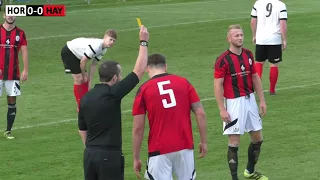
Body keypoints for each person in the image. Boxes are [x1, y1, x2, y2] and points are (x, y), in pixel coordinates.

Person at [77, 25, 149, 180]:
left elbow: (82, 130)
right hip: (109, 156)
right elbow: (140, 70)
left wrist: (92, 148)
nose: (121, 77)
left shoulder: (85, 98)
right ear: (115, 78)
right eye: (120, 74)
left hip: (89, 155)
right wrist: (143, 42)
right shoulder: (113, 94)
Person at [132, 53, 208, 180]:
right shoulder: (184, 82)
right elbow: (200, 113)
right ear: (165, 67)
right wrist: (204, 142)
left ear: (147, 68)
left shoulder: (144, 89)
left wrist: (136, 157)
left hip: (159, 149)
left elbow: (138, 128)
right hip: (185, 145)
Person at [213, 24, 267, 180]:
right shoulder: (223, 60)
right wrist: (222, 109)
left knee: (258, 139)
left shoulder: (249, 54)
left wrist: (262, 100)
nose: (240, 38)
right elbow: (218, 84)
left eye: (241, 35)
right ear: (229, 39)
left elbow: (255, 77)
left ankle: (249, 171)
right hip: (234, 103)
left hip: (250, 101)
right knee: (234, 142)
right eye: (236, 35)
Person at [60, 29, 117, 112]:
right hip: (69, 51)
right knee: (79, 79)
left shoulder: (103, 49)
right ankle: (80, 106)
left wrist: (89, 82)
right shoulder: (96, 46)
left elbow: (93, 65)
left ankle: (86, 102)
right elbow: (83, 61)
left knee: (85, 79)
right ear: (105, 38)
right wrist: (83, 74)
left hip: (78, 55)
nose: (111, 42)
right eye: (110, 39)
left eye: (114, 41)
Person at [0, 14, 28, 139]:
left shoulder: (20, 33)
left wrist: (25, 69)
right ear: (3, 15)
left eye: (13, 14)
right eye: (8, 14)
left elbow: (24, 51)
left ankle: (8, 131)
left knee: (12, 101)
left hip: (13, 73)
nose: (10, 16)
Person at [250, 0, 288, 95]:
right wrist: (284, 39)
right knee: (273, 64)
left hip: (261, 39)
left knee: (259, 63)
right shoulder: (281, 5)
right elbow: (282, 24)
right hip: (274, 39)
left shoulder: (258, 3)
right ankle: (272, 90)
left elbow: (253, 21)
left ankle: (257, 90)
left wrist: (254, 35)